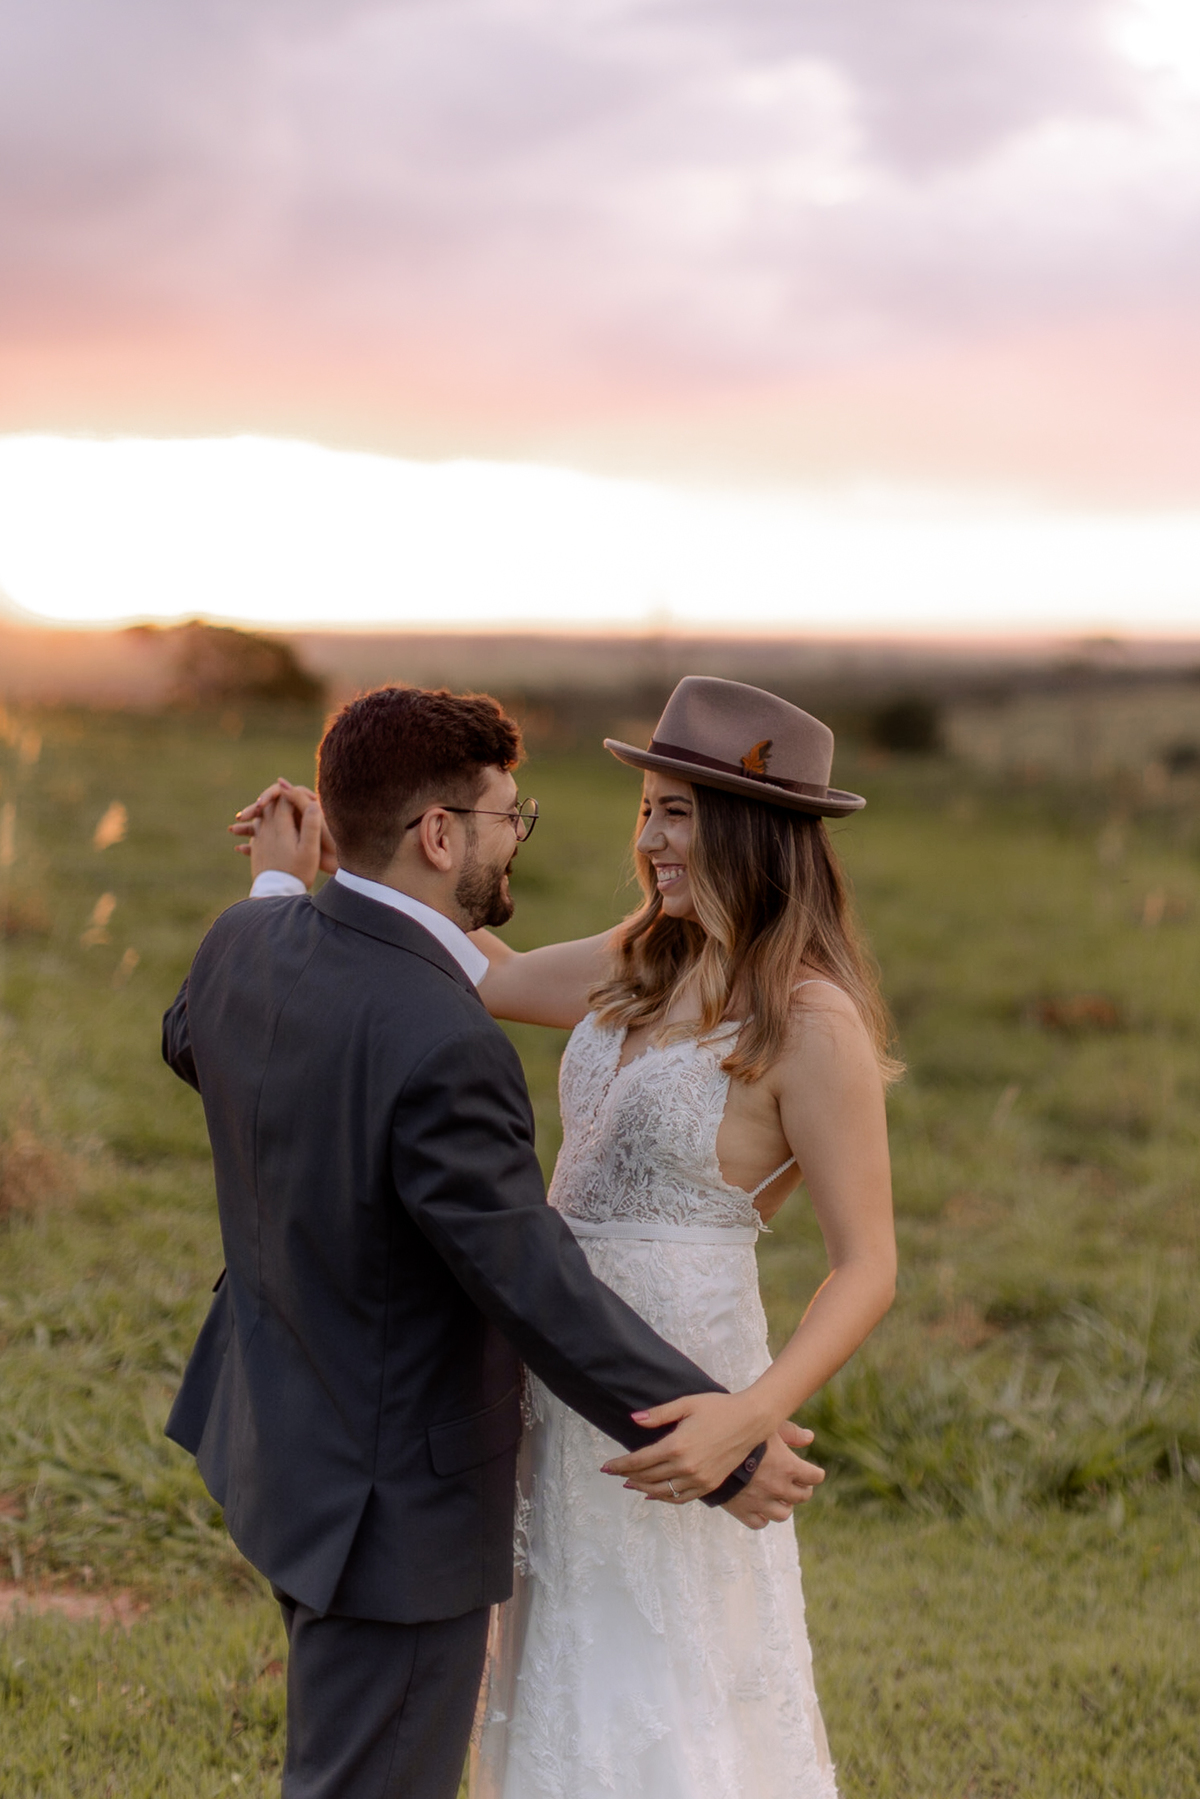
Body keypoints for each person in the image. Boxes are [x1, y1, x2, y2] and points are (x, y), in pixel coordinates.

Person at [238, 675, 898, 1799]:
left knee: (666, 1680)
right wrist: (339, 856)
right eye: (646, 809)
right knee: (553, 1666)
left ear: (756, 829)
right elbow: (477, 970)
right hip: (546, 1363)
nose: (649, 840)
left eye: (677, 812)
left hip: (681, 1378)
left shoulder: (811, 1017)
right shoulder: (641, 957)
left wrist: (750, 1411)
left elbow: (868, 1262)